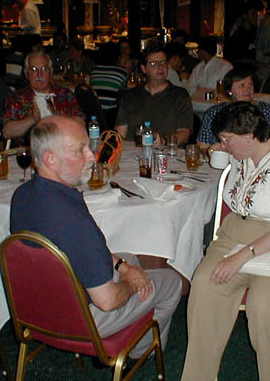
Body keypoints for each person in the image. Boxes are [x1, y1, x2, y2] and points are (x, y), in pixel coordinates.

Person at [10, 116, 182, 359]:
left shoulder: (23, 195)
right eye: (79, 150)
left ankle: (133, 324)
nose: (92, 156)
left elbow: (76, 249)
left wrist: (123, 267)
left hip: (36, 308)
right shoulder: (72, 218)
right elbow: (108, 301)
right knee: (171, 282)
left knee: (131, 259)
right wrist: (133, 285)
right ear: (50, 158)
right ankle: (140, 353)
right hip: (78, 320)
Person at [181, 102, 270, 381]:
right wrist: (223, 152)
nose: (221, 145)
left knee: (264, 303)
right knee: (205, 285)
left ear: (248, 136)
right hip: (238, 232)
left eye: (226, 139)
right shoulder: (243, 153)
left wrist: (240, 257)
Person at [115, 42, 193, 146]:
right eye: (153, 64)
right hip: (134, 152)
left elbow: (184, 133)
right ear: (143, 69)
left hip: (166, 152)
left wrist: (163, 141)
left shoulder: (180, 95)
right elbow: (120, 134)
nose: (160, 67)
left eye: (163, 63)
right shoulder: (130, 95)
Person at [1, 52, 84, 145]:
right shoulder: (17, 98)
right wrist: (32, 119)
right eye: (34, 69)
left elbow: (81, 123)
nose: (39, 74)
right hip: (30, 150)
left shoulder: (65, 95)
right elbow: (6, 132)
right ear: (26, 73)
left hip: (63, 147)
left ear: (51, 72)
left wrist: (59, 118)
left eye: (44, 69)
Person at [197, 67, 270, 152]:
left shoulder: (267, 111)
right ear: (229, 91)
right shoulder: (215, 113)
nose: (247, 89)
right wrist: (214, 151)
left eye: (250, 85)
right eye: (242, 85)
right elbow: (202, 147)